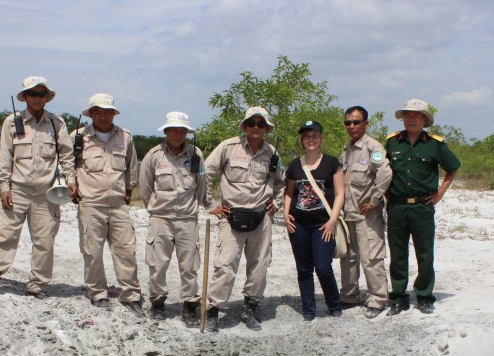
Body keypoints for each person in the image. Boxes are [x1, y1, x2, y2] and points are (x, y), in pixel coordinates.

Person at [0, 76, 74, 297]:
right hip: (17, 189)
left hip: (47, 192)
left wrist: (71, 180)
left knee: (45, 240)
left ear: (46, 97)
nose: (37, 98)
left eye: (41, 94)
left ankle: (38, 284)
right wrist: (4, 187)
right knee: (5, 235)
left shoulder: (57, 123)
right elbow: (5, 156)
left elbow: (66, 155)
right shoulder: (11, 122)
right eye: (33, 94)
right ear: (25, 96)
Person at [202, 106, 285, 332]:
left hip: (261, 217)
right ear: (245, 126)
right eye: (252, 123)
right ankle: (212, 311)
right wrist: (210, 204)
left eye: (261, 124)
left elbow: (282, 182)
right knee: (225, 265)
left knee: (260, 265)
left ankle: (250, 310)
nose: (256, 127)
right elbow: (205, 172)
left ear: (267, 128)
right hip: (231, 216)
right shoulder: (228, 147)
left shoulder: (272, 154)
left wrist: (276, 203)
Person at [67, 93, 143, 316]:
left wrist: (129, 190)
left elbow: (132, 165)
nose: (103, 116)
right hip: (91, 203)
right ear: (90, 114)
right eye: (98, 112)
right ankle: (97, 292)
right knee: (92, 251)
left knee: (126, 250)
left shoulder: (125, 136)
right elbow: (68, 163)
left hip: (118, 204)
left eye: (108, 111)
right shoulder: (78, 137)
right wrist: (71, 183)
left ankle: (131, 294)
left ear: (114, 113)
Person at [385, 98, 461, 314]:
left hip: (422, 207)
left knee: (425, 253)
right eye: (407, 115)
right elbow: (382, 169)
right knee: (397, 252)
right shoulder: (391, 142)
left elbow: (453, 167)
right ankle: (399, 296)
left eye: (415, 115)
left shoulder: (435, 144)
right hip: (397, 206)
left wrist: (440, 193)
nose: (410, 119)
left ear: (424, 119)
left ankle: (424, 295)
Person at [138, 111, 210, 324]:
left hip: (188, 218)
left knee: (190, 266)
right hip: (161, 218)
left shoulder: (196, 153)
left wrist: (196, 207)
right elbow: (145, 187)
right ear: (166, 131)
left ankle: (189, 306)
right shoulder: (154, 155)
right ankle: (158, 303)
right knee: (157, 264)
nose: (178, 134)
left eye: (183, 130)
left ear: (187, 132)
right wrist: (158, 207)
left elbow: (201, 183)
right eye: (174, 129)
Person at [283, 120, 346, 320]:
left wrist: (332, 220)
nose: (311, 140)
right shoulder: (295, 165)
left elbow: (340, 193)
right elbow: (289, 192)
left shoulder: (332, 163)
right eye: (307, 137)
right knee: (304, 268)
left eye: (315, 136)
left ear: (321, 139)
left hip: (323, 223)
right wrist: (285, 214)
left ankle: (334, 305)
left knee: (323, 266)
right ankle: (309, 309)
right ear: (302, 141)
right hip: (298, 224)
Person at [338, 105, 393, 319]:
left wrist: (374, 200)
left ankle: (377, 298)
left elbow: (385, 174)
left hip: (367, 214)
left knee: (371, 257)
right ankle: (350, 296)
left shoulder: (373, 148)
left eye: (356, 122)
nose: (352, 126)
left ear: (366, 123)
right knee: (348, 257)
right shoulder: (347, 149)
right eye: (348, 122)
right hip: (348, 212)